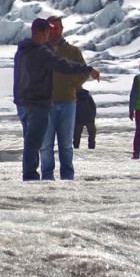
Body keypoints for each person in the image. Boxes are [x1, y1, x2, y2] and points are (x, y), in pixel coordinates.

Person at [13, 18, 99, 181]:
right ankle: (32, 176)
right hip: (36, 103)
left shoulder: (23, 50)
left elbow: (19, 77)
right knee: (37, 143)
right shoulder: (40, 51)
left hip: (25, 103)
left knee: (33, 141)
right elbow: (62, 65)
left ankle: (33, 175)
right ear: (44, 32)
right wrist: (88, 69)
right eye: (49, 31)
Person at [42, 16, 90, 180]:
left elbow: (84, 71)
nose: (54, 30)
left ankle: (67, 177)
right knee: (46, 145)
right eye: (51, 28)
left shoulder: (73, 51)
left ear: (62, 29)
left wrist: (71, 83)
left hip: (68, 102)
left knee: (66, 145)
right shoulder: (40, 51)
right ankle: (47, 177)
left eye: (57, 27)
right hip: (45, 104)